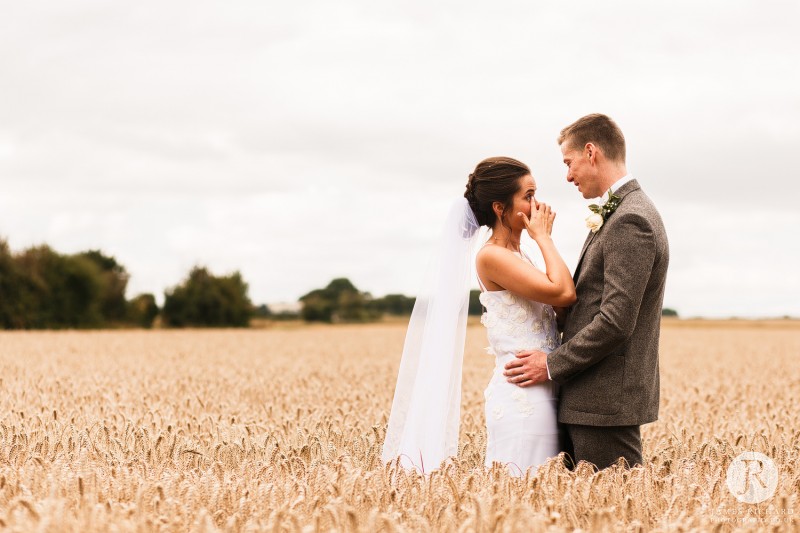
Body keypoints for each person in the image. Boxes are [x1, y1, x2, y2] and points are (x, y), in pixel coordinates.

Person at [381, 156, 576, 476]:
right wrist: (545, 238)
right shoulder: (492, 256)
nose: (537, 205)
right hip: (522, 397)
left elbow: (561, 305)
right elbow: (564, 293)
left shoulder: (519, 254)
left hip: (545, 388)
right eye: (528, 196)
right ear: (500, 208)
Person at [503, 114, 670, 471]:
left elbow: (615, 321)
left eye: (569, 162)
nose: (567, 175)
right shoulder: (622, 211)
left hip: (604, 403)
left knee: (617, 516)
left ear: (591, 152)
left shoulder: (631, 219)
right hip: (591, 397)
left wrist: (550, 364)